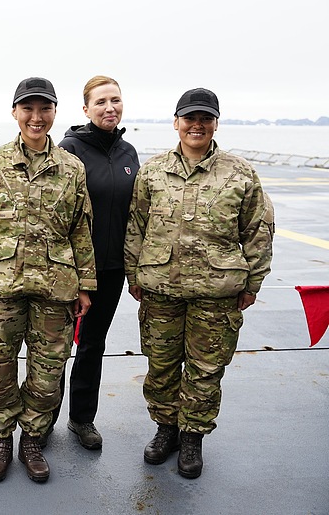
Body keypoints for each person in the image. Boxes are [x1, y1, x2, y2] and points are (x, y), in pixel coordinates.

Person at [124, 88, 274, 479]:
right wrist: (133, 274)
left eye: (205, 118)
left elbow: (258, 229)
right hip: (160, 290)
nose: (197, 125)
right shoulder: (153, 171)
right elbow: (135, 226)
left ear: (215, 124)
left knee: (206, 370)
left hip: (217, 292)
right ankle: (166, 429)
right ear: (176, 122)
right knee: (161, 366)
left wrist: (253, 282)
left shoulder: (240, 173)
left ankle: (193, 437)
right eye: (189, 117)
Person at [0, 77, 97, 483]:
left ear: (55, 113)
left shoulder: (72, 167)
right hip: (2, 284)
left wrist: (86, 285)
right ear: (15, 112)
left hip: (56, 287)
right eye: (28, 109)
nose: (36, 117)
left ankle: (32, 439)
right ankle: (2, 437)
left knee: (48, 367)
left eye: (44, 109)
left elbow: (81, 229)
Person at [45, 76, 139, 450]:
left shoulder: (129, 153)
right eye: (100, 102)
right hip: (69, 269)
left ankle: (82, 418)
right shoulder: (70, 150)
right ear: (85, 109)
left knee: (93, 345)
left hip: (111, 268)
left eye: (115, 100)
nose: (109, 108)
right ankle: (43, 417)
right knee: (55, 345)